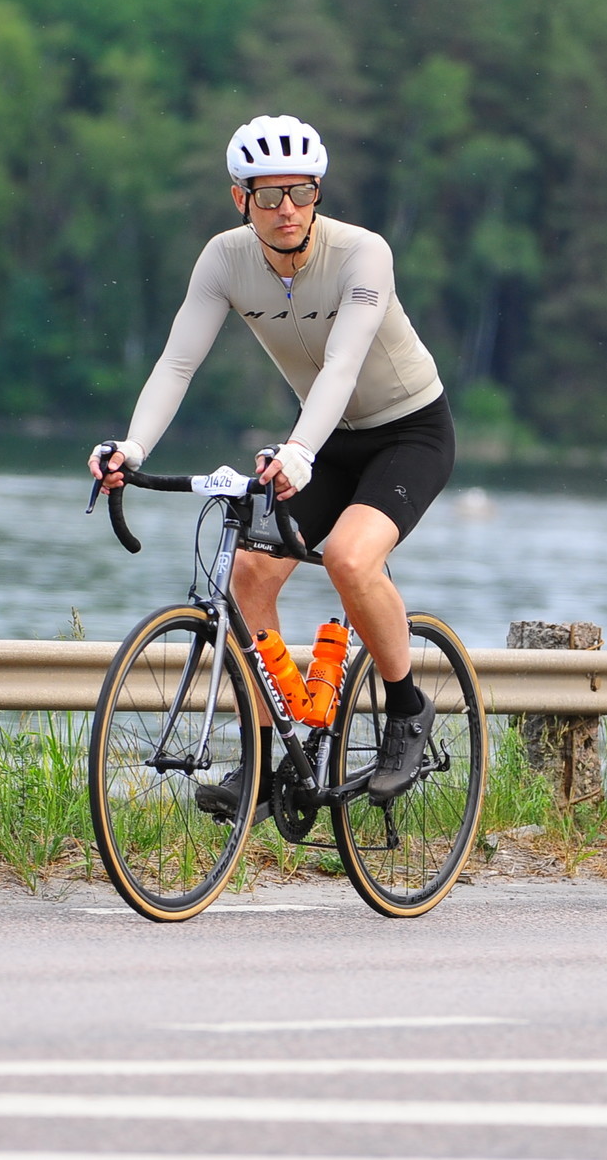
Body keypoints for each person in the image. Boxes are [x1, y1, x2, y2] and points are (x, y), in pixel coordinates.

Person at [90, 114, 454, 814]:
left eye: (301, 192)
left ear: (318, 193)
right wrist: (131, 449)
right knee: (249, 573)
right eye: (268, 195)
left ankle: (408, 710)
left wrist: (298, 452)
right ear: (241, 199)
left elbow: (343, 365)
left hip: (408, 432)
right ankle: (264, 757)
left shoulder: (363, 253)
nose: (287, 209)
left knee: (350, 557)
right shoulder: (223, 260)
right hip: (324, 437)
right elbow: (177, 363)